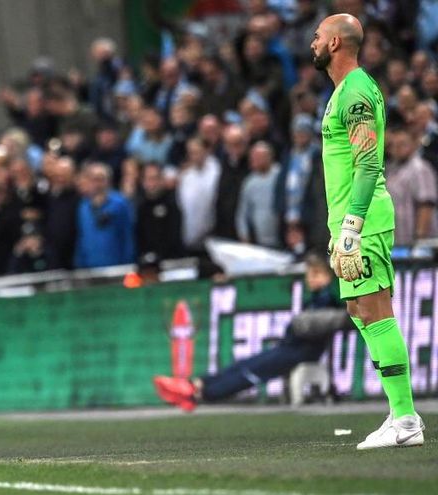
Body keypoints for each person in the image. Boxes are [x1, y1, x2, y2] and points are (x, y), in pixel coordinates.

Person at [310, 14, 423, 449]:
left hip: (366, 219)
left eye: (318, 37)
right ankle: (398, 411)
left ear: (335, 43)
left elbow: (369, 162)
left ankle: (407, 420)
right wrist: (339, 226)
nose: (314, 43)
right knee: (360, 309)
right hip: (351, 219)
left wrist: (353, 225)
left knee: (376, 310)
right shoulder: (346, 90)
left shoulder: (355, 91)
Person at [153, 253, 345, 411]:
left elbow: (331, 319)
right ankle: (197, 384)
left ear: (329, 276)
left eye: (317, 274)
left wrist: (301, 323)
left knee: (250, 371)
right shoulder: (315, 298)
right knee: (243, 364)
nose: (311, 279)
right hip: (289, 347)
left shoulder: (329, 297)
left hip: (301, 352)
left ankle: (198, 393)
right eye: (310, 274)